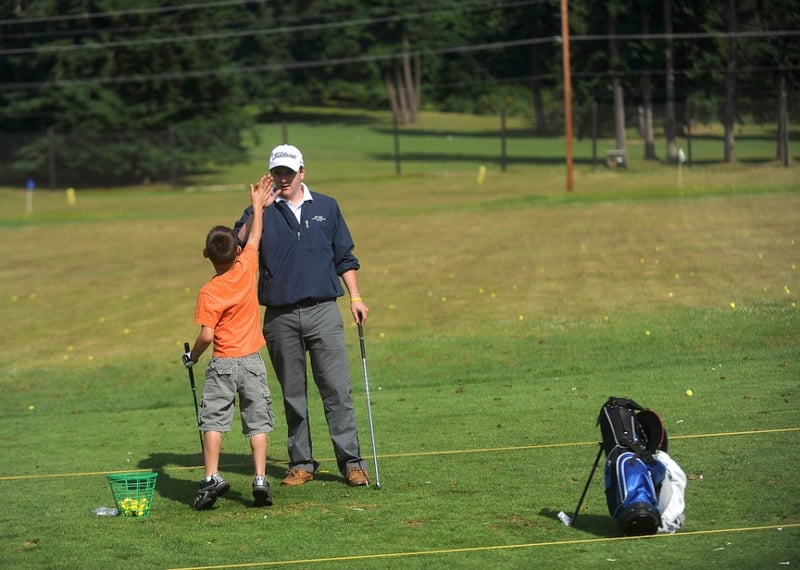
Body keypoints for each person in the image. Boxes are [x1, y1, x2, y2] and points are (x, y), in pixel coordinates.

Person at [233, 144, 370, 488]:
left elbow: (344, 256)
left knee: (337, 391)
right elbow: (238, 246)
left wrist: (355, 296)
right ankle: (302, 463)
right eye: (277, 172)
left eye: (289, 173)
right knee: (293, 395)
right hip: (280, 317)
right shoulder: (261, 210)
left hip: (324, 311)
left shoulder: (326, 206)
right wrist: (257, 210)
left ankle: (352, 462)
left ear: (302, 172)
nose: (283, 179)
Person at [182, 175, 278, 510]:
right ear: (236, 251)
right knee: (257, 421)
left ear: (205, 254)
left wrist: (192, 357)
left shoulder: (208, 292)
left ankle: (211, 477)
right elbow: (255, 236)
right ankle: (260, 479)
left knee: (213, 420)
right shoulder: (246, 265)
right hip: (251, 359)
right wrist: (257, 206)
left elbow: (207, 335)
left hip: (222, 362)